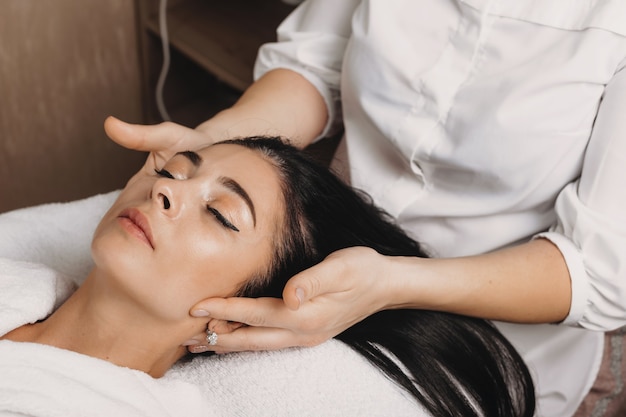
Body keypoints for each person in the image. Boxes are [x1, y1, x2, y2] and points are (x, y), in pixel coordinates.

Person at [104, 1, 626, 416]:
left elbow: (598, 271)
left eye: (221, 214)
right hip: (322, 265)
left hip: (495, 346)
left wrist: (391, 284)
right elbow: (313, 64)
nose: (164, 191)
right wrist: (207, 151)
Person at [0, 137, 535, 416]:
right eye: (172, 170)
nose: (168, 190)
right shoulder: (18, 283)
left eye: (221, 214)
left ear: (245, 314)